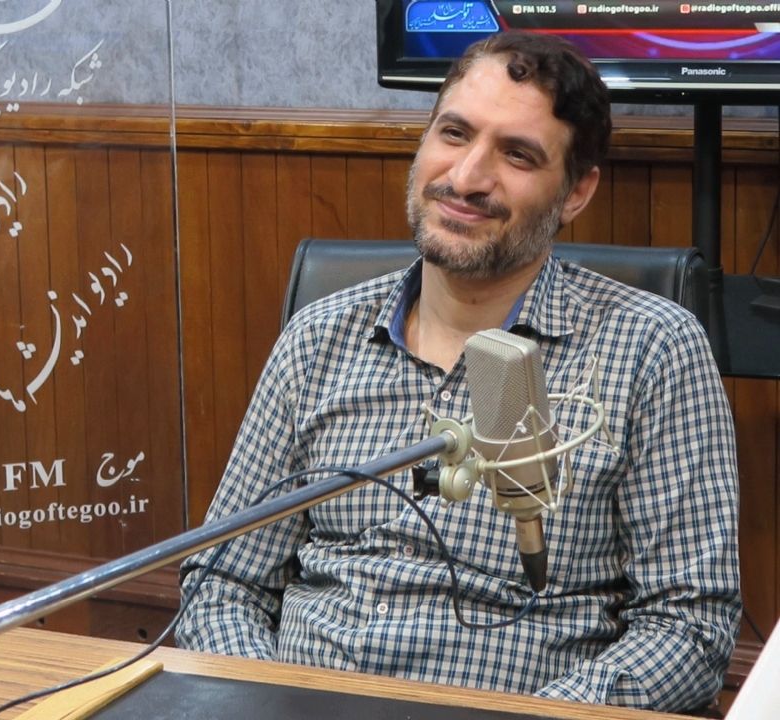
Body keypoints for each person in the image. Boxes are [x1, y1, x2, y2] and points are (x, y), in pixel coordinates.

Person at [174, 31, 741, 712]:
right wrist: (269, 704)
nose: (467, 178)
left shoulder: (651, 349)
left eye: (518, 154)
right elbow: (224, 580)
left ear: (576, 191)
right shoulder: (319, 337)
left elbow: (689, 627)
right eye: (454, 133)